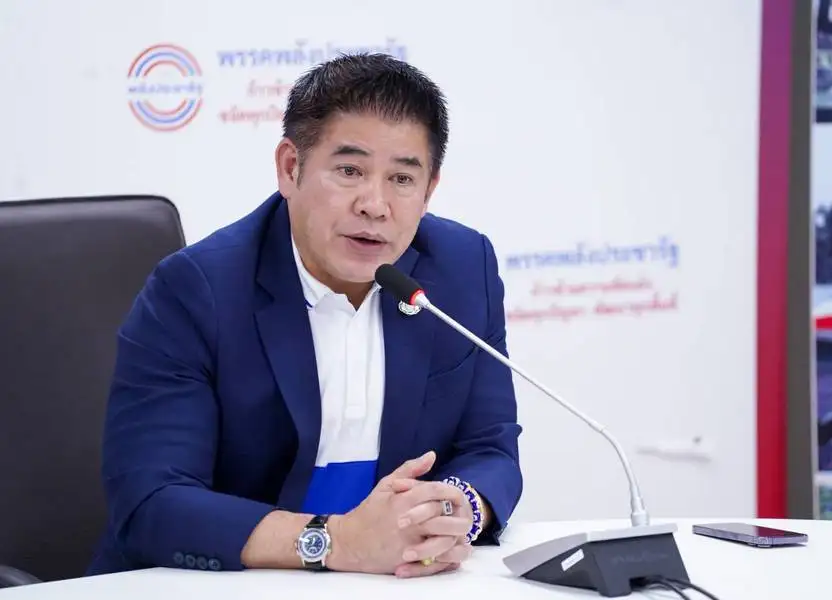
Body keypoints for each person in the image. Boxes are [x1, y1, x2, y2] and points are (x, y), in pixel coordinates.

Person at [87, 53, 523, 579]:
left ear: (429, 190)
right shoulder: (197, 290)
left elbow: (490, 450)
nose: (375, 204)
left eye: (402, 179)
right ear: (290, 168)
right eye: (349, 171)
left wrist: (454, 511)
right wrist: (334, 541)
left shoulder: (461, 269)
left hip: (390, 583)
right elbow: (153, 502)